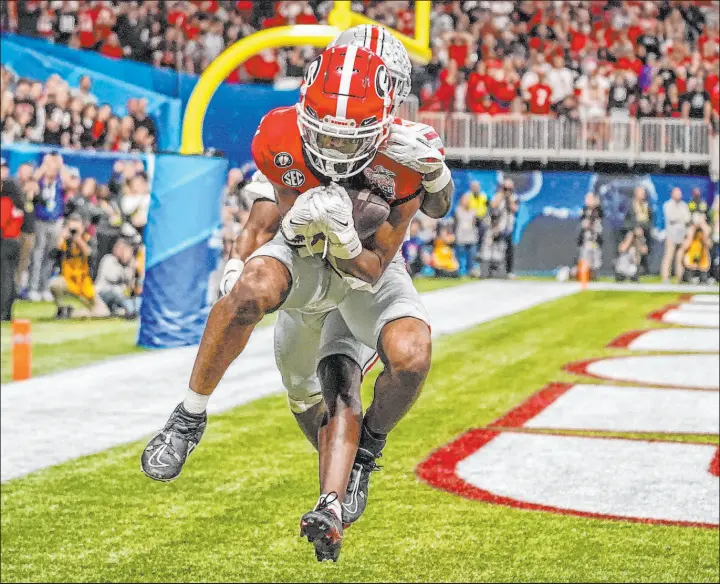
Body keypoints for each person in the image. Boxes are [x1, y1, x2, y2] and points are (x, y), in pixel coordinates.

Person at [141, 36, 452, 564]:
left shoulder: (406, 155)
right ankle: (189, 416)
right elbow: (278, 223)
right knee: (252, 297)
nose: (331, 150)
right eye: (323, 132)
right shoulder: (280, 132)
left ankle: (358, 461)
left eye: (346, 136)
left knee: (408, 355)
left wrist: (426, 181)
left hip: (364, 271)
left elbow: (378, 260)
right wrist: (244, 263)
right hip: (307, 255)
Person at [48, 213, 108, 319]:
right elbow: (52, 255)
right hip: (67, 281)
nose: (73, 232)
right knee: (54, 284)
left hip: (84, 283)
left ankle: (73, 312)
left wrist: (78, 239)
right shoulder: (64, 241)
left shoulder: (88, 238)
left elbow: (91, 255)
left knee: (103, 312)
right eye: (72, 229)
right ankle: (63, 307)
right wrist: (61, 237)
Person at [28, 153, 65, 301]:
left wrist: (60, 165)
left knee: (50, 255)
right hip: (40, 221)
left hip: (55, 222)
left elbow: (71, 183)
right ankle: (33, 288)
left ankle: (44, 287)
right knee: (37, 255)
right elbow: (31, 183)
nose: (51, 169)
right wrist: (44, 166)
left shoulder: (59, 182)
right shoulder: (40, 182)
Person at [1, 158, 25, 321]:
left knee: (4, 278)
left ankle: (2, 311)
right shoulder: (19, 204)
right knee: (11, 277)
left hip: (5, 241)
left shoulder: (6, 202)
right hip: (15, 241)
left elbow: (1, 222)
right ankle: (8, 310)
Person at [94, 237, 137, 318]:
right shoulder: (108, 259)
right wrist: (124, 264)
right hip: (102, 293)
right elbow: (113, 277)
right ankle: (131, 312)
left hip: (120, 297)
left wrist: (132, 268)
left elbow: (131, 285)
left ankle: (131, 310)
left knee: (137, 299)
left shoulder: (129, 264)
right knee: (117, 290)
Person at [661, 187, 690, 283]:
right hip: (671, 234)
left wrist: (681, 218)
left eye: (680, 193)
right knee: (669, 256)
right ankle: (665, 277)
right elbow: (671, 217)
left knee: (680, 257)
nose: (679, 195)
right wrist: (681, 217)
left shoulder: (684, 205)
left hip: (682, 234)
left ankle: (679, 278)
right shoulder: (667, 205)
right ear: (672, 194)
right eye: (677, 193)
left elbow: (687, 218)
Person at [454, 194, 479, 276]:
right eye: (465, 199)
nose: (466, 201)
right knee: (461, 257)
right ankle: (461, 272)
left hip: (471, 237)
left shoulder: (473, 211)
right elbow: (455, 223)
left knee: (471, 256)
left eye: (468, 200)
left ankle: (471, 271)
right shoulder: (458, 211)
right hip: (461, 237)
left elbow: (475, 223)